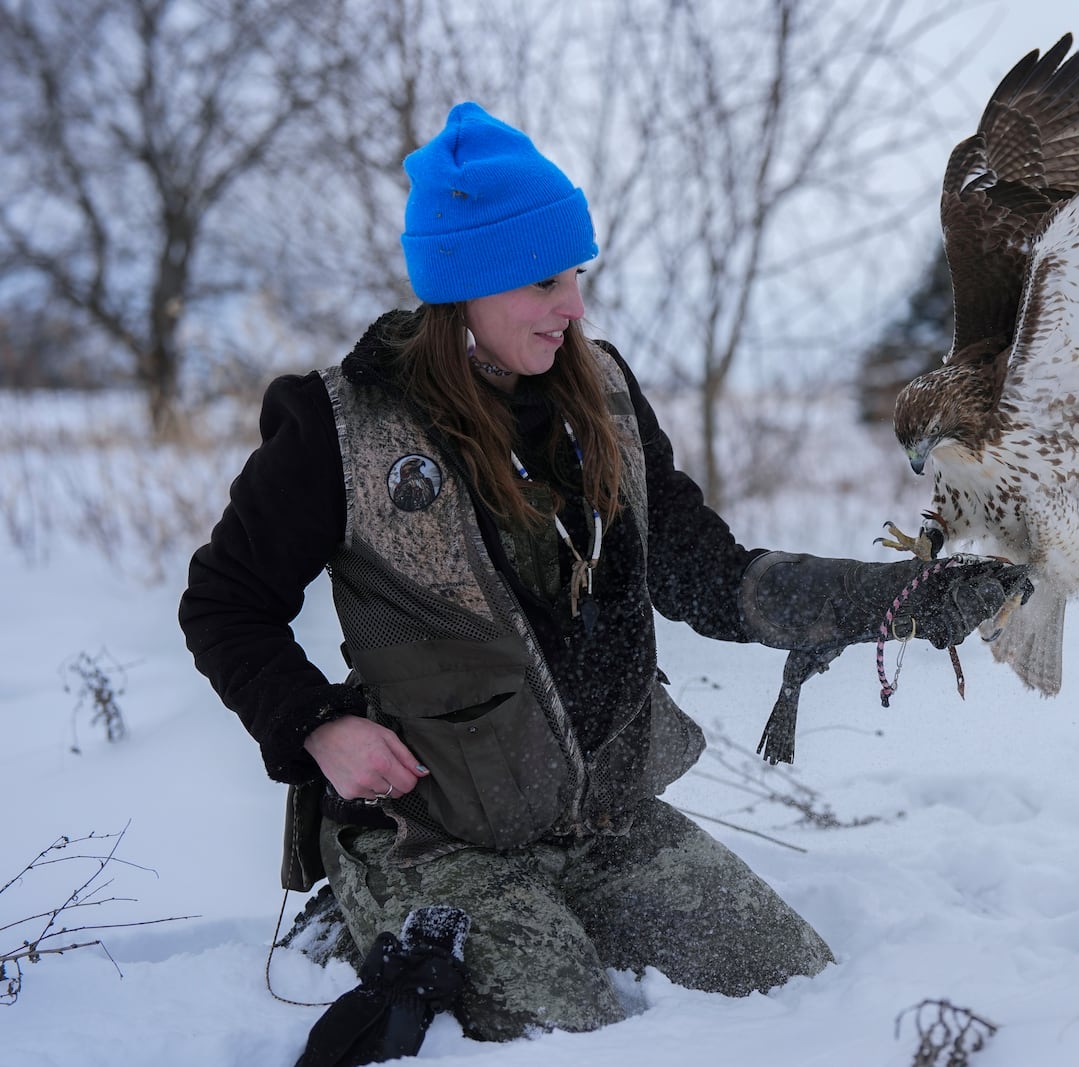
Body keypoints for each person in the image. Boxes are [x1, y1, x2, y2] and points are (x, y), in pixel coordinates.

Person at [179, 101, 1029, 1047]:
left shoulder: (606, 396)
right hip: (436, 836)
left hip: (602, 825)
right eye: (545, 280)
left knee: (795, 985)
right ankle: (361, 907)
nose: (574, 305)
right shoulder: (343, 431)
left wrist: (893, 600)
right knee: (569, 1031)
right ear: (467, 285)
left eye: (577, 274)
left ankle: (549, 906)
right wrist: (319, 725)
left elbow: (707, 572)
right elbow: (224, 603)